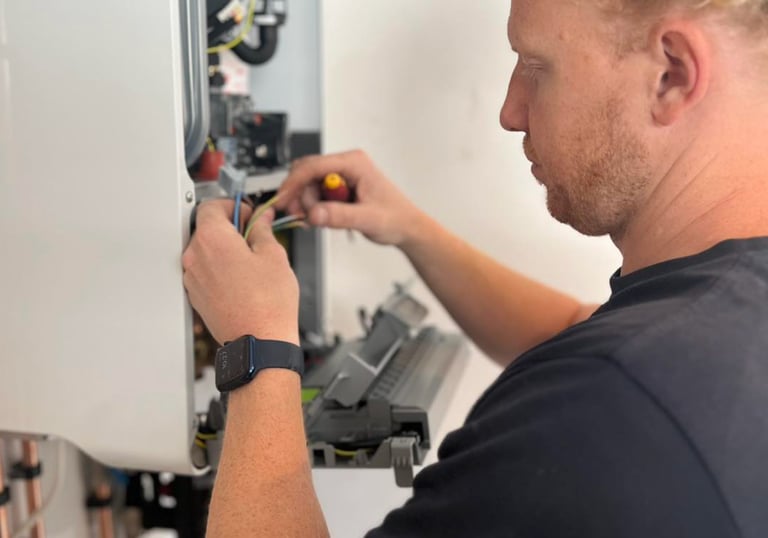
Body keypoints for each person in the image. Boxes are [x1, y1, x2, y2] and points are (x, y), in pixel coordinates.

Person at [181, 0, 768, 536]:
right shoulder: (719, 318)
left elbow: (603, 372)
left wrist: (256, 343)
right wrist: (411, 229)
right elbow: (572, 330)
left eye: (536, 66)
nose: (510, 113)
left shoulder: (610, 407)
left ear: (672, 73)